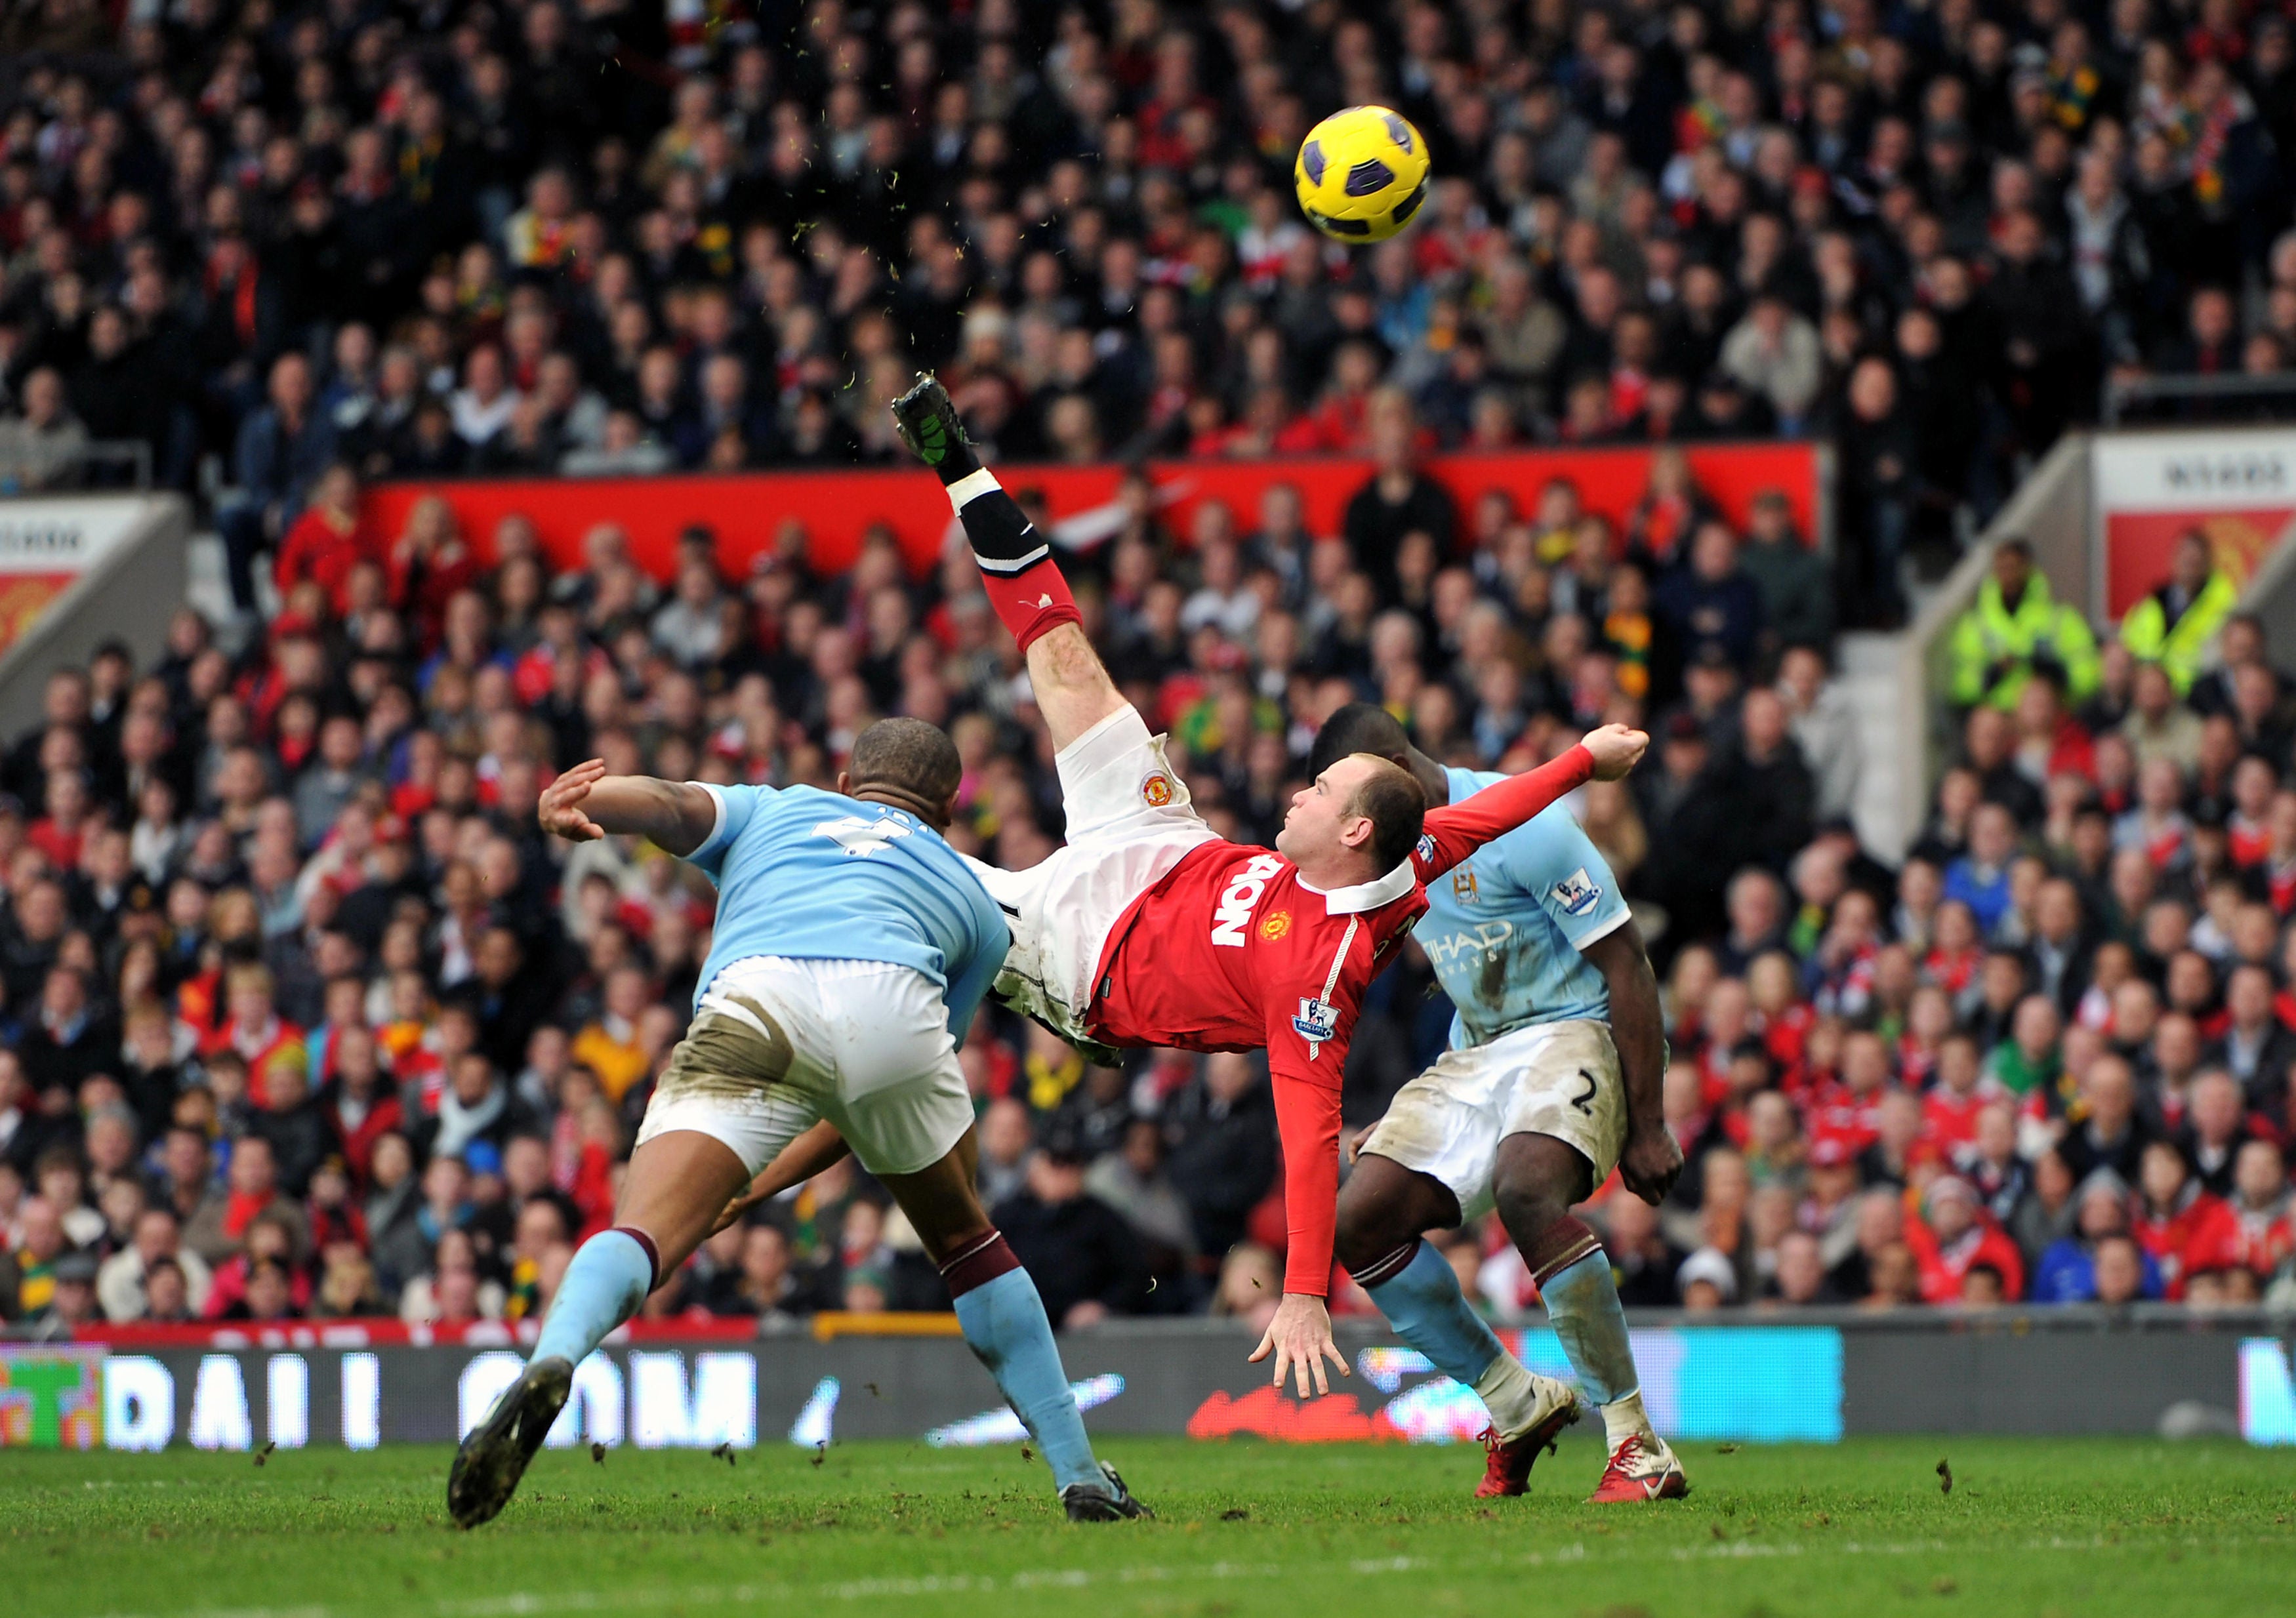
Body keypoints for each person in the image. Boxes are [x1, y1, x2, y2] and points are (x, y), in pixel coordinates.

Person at [886, 373, 1649, 1397]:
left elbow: (1308, 1135)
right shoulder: (1405, 858)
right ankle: (957, 460)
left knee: (891, 854)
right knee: (1066, 658)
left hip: (1086, 953)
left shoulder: (1313, 978)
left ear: (1353, 828)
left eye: (1318, 785)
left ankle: (713, 816)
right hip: (1161, 844)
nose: (1294, 791)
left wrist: (1304, 1290)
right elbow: (1492, 808)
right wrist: (1583, 759)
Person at [447, 716, 1147, 1528]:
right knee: (967, 1244)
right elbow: (868, 1098)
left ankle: (553, 1360)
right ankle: (1080, 1474)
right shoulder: (977, 905)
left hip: (760, 993)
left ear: (846, 783)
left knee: (643, 1231)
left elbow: (670, 803)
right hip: (894, 1006)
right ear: (948, 814)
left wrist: (583, 799)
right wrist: (755, 1186)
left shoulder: (777, 809)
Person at [1315, 701, 1688, 1503]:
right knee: (1357, 1221)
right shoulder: (1386, 855)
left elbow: (1626, 963)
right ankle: (1515, 1404)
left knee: (1525, 1189)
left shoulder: (1523, 824)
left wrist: (1648, 1123)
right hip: (1481, 1049)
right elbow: (1466, 980)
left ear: (1391, 773)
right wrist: (1430, 1107)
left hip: (1578, 1028)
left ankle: (1636, 1443)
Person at [1947, 538, 2101, 712]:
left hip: (2049, 714)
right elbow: (1962, 685)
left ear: (2028, 568)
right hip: (1999, 715)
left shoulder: (2061, 619)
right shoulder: (1976, 624)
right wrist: (1994, 673)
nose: (2009, 576)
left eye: (2015, 568)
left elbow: (2088, 675)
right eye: (2003, 569)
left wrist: (2054, 672)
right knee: (1986, 723)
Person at [2119, 530, 2240, 698]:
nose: (2189, 568)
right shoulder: (2151, 604)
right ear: (2173, 560)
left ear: (2208, 563)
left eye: (2195, 562)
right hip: (2147, 695)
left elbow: (2218, 661)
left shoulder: (2225, 605)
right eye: (2185, 560)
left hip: (2197, 696)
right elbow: (2127, 647)